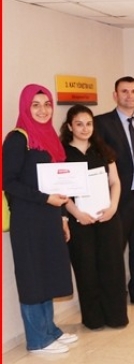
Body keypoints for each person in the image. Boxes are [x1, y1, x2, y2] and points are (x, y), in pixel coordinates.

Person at [3, 84, 77, 353]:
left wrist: (63, 218)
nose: (43, 110)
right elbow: (8, 182)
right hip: (28, 220)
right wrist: (44, 199)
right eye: (35, 105)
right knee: (32, 277)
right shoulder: (17, 139)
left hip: (49, 218)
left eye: (47, 104)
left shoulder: (49, 138)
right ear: (25, 108)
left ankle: (49, 331)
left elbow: (58, 184)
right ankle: (37, 340)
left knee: (47, 273)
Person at [61, 105, 128, 330]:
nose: (85, 128)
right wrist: (77, 214)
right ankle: (94, 320)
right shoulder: (61, 154)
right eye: (79, 124)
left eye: (89, 124)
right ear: (70, 126)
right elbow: (61, 191)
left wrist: (113, 207)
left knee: (112, 267)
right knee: (86, 269)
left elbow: (115, 182)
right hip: (80, 222)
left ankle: (116, 317)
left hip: (107, 218)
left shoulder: (103, 150)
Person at [95, 76, 134, 309]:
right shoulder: (101, 123)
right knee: (113, 250)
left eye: (133, 91)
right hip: (118, 198)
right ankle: (113, 294)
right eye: (124, 91)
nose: (129, 96)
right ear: (115, 95)